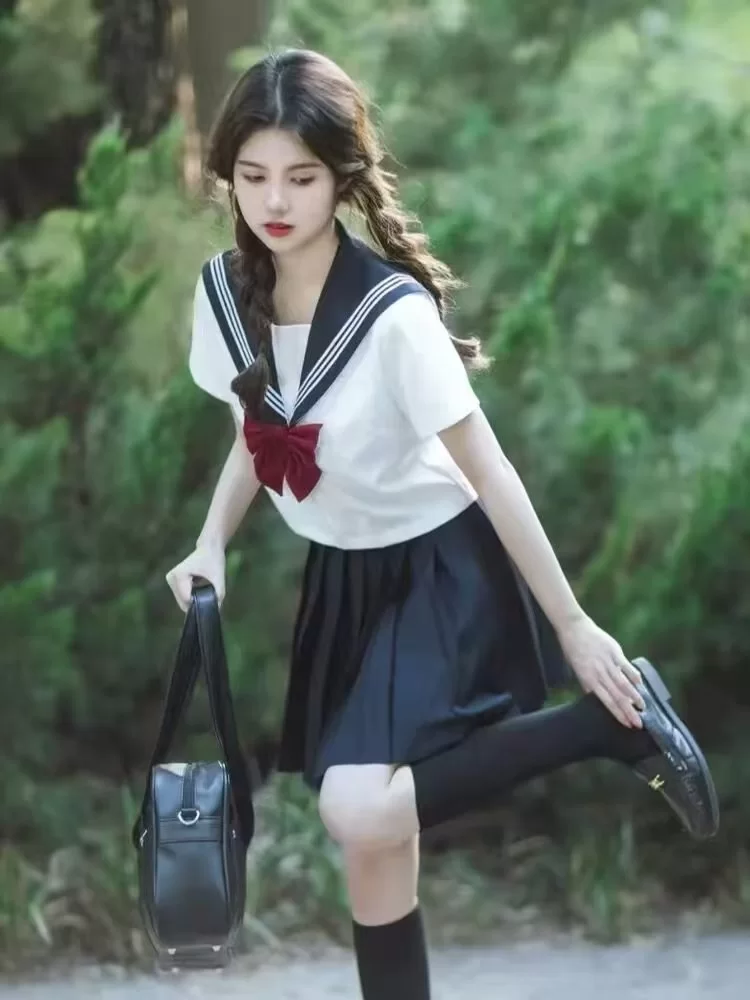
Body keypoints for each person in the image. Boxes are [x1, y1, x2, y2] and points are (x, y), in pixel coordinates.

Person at [166, 48, 719, 1000]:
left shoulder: (390, 316)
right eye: (253, 177)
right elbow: (261, 436)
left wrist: (574, 626)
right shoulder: (226, 297)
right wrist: (211, 539)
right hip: (343, 576)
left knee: (358, 809)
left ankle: (603, 727)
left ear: (343, 177)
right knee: (377, 855)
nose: (275, 201)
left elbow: (489, 470)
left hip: (439, 568)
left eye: (301, 177)